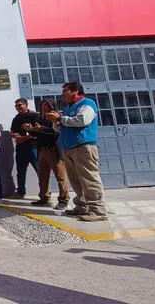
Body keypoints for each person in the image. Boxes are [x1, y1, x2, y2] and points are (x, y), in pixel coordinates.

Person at [46, 82, 107, 222]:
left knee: (89, 179)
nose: (62, 95)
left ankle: (98, 210)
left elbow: (82, 120)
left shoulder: (87, 104)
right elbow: (60, 129)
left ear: (75, 91)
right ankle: (82, 206)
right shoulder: (68, 109)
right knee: (76, 180)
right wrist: (56, 122)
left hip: (83, 147)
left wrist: (60, 118)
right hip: (69, 148)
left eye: (65, 91)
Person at [23, 99, 69, 210]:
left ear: (52, 106)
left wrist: (42, 128)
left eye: (47, 105)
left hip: (53, 149)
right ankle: (44, 198)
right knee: (42, 176)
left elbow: (56, 131)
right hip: (41, 150)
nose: (44, 107)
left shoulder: (55, 116)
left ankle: (63, 199)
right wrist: (29, 129)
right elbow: (35, 133)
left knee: (60, 176)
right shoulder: (39, 118)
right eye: (43, 105)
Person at [9, 98, 40, 199]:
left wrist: (23, 138)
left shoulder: (34, 116)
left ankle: (44, 194)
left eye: (20, 105)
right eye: (16, 106)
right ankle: (21, 192)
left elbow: (37, 132)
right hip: (21, 149)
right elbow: (12, 131)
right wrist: (14, 135)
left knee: (40, 170)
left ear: (26, 105)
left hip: (33, 147)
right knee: (20, 171)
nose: (18, 107)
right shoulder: (16, 118)